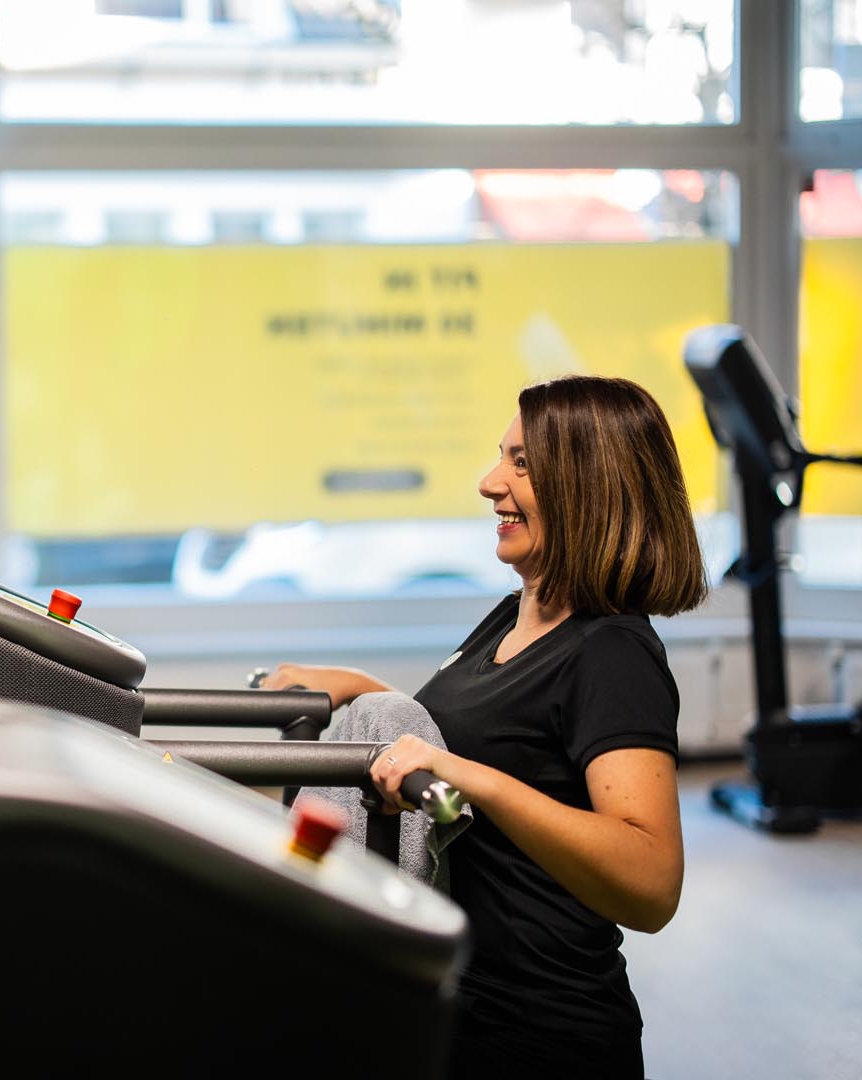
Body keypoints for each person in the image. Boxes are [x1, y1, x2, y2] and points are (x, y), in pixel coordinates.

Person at [264, 375, 708, 1079]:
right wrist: (363, 688)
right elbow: (476, 737)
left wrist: (478, 783)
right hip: (455, 998)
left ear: (587, 485)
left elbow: (651, 884)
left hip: (536, 1029)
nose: (488, 482)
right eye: (500, 456)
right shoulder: (515, 615)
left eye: (522, 463)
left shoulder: (612, 652)